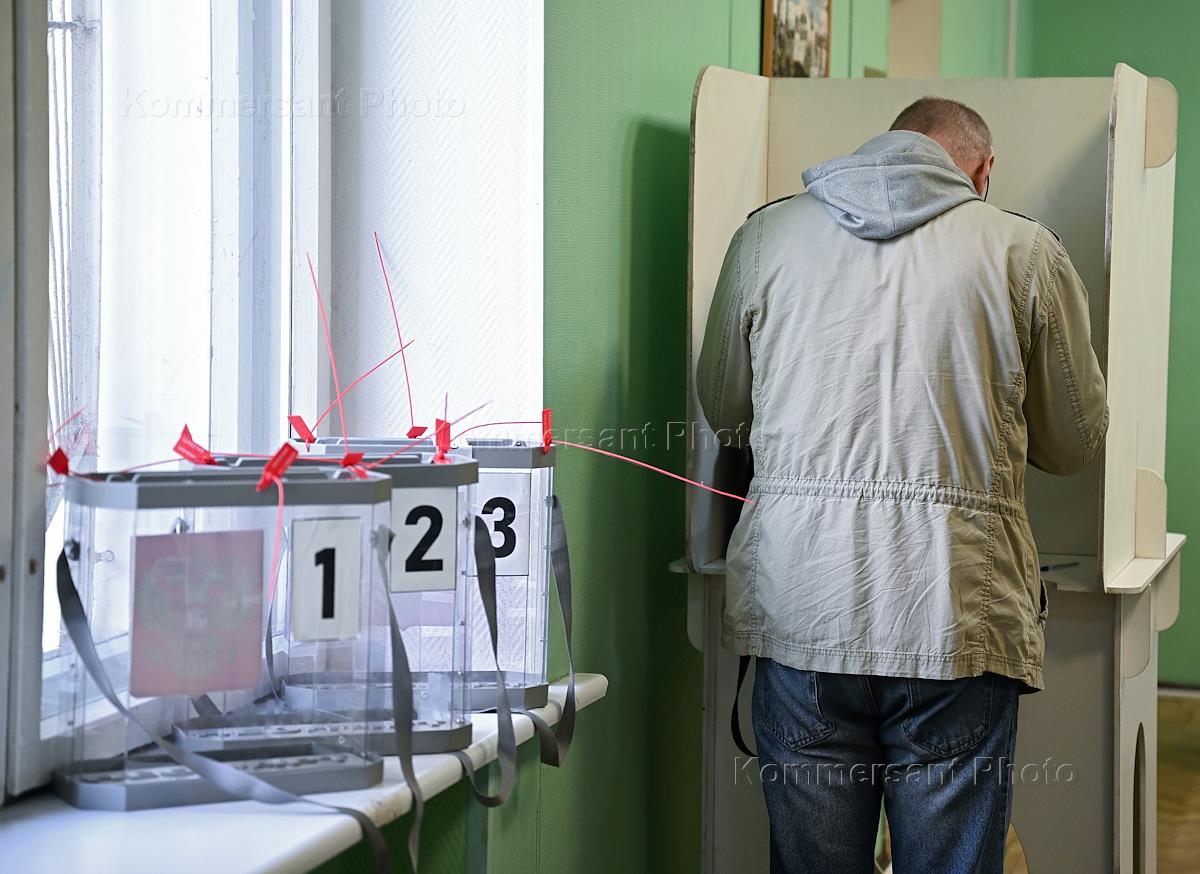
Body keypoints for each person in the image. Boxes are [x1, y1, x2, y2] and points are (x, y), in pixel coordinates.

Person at [696, 97, 1108, 874]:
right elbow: (1075, 443)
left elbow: (726, 410)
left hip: (803, 608)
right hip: (953, 617)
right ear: (982, 170)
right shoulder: (1025, 251)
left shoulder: (765, 238)